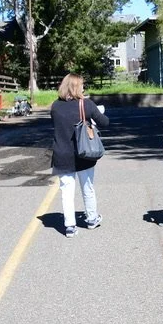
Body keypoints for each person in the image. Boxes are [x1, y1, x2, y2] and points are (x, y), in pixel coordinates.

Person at [49, 73, 110, 238]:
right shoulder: (86, 104)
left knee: (66, 192)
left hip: (62, 154)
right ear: (76, 87)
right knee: (87, 188)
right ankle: (91, 219)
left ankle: (69, 226)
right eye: (82, 85)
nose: (83, 87)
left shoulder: (55, 106)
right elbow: (105, 122)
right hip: (84, 153)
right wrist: (93, 118)